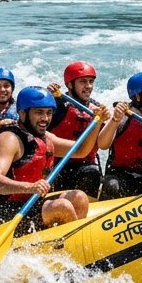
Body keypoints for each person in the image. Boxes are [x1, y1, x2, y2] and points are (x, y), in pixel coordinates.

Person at [0, 86, 105, 234]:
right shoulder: (9, 139)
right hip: (2, 212)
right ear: (22, 113)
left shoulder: (44, 137)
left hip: (28, 204)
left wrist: (97, 122)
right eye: (39, 113)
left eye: (49, 113)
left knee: (79, 198)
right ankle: (71, 245)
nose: (45, 119)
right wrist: (29, 187)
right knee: (62, 207)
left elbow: (81, 151)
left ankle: (71, 242)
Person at [97, 71, 142, 199]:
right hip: (123, 174)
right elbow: (102, 145)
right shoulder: (123, 116)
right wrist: (115, 120)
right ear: (138, 97)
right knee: (112, 185)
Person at [46, 60, 102, 197]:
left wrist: (113, 120)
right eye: (83, 82)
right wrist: (46, 96)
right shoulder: (56, 105)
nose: (89, 86)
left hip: (84, 166)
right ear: (70, 85)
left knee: (92, 173)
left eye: (91, 82)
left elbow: (104, 142)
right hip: (56, 165)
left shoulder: (97, 109)